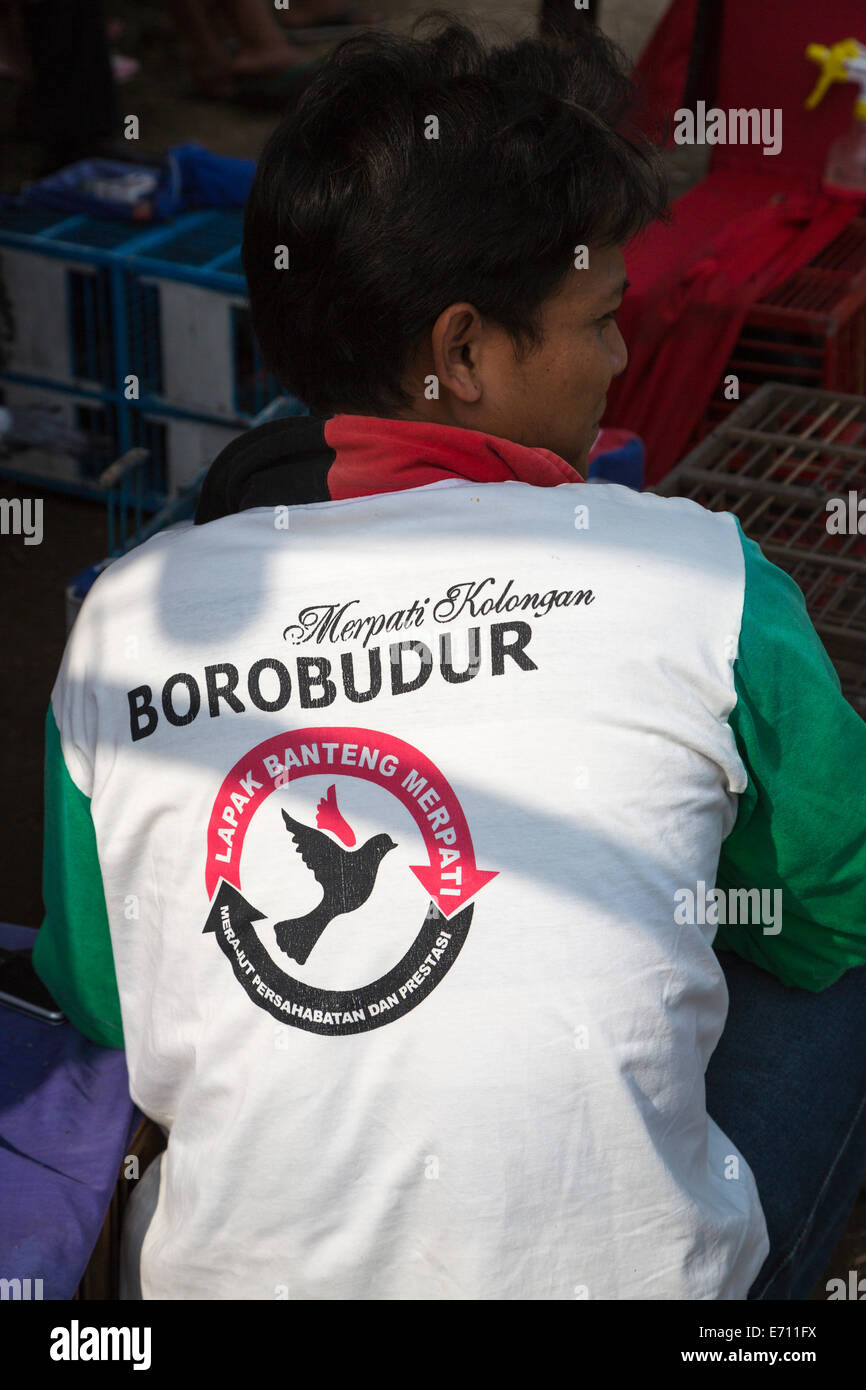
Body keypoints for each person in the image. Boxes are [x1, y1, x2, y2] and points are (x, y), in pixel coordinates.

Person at [33, 17, 866, 1300]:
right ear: (463, 353)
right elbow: (833, 906)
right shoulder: (698, 577)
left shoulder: (124, 620)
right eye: (598, 321)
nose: (621, 359)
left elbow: (103, 998)